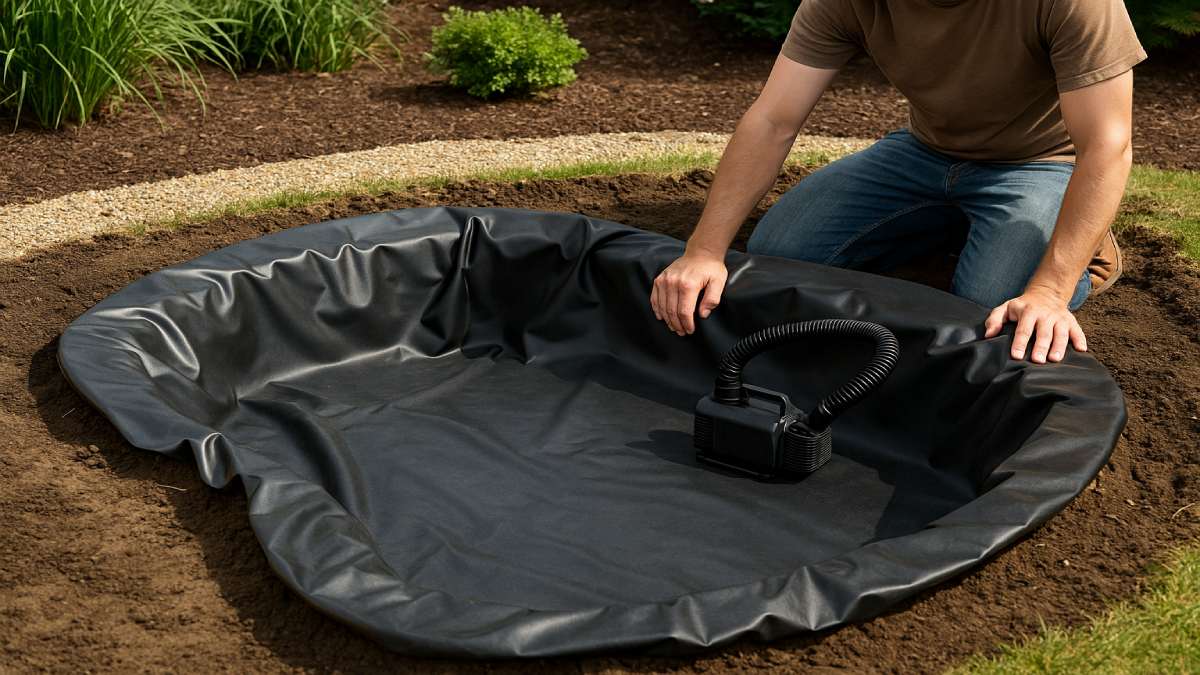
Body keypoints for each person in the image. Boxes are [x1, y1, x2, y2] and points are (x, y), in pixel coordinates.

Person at [651, 0, 1146, 364]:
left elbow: (1106, 146)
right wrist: (704, 251)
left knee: (991, 306)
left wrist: (1050, 291)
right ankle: (963, 227)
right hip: (922, 154)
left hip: (1041, 163)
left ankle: (1087, 248)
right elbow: (773, 120)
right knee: (781, 252)